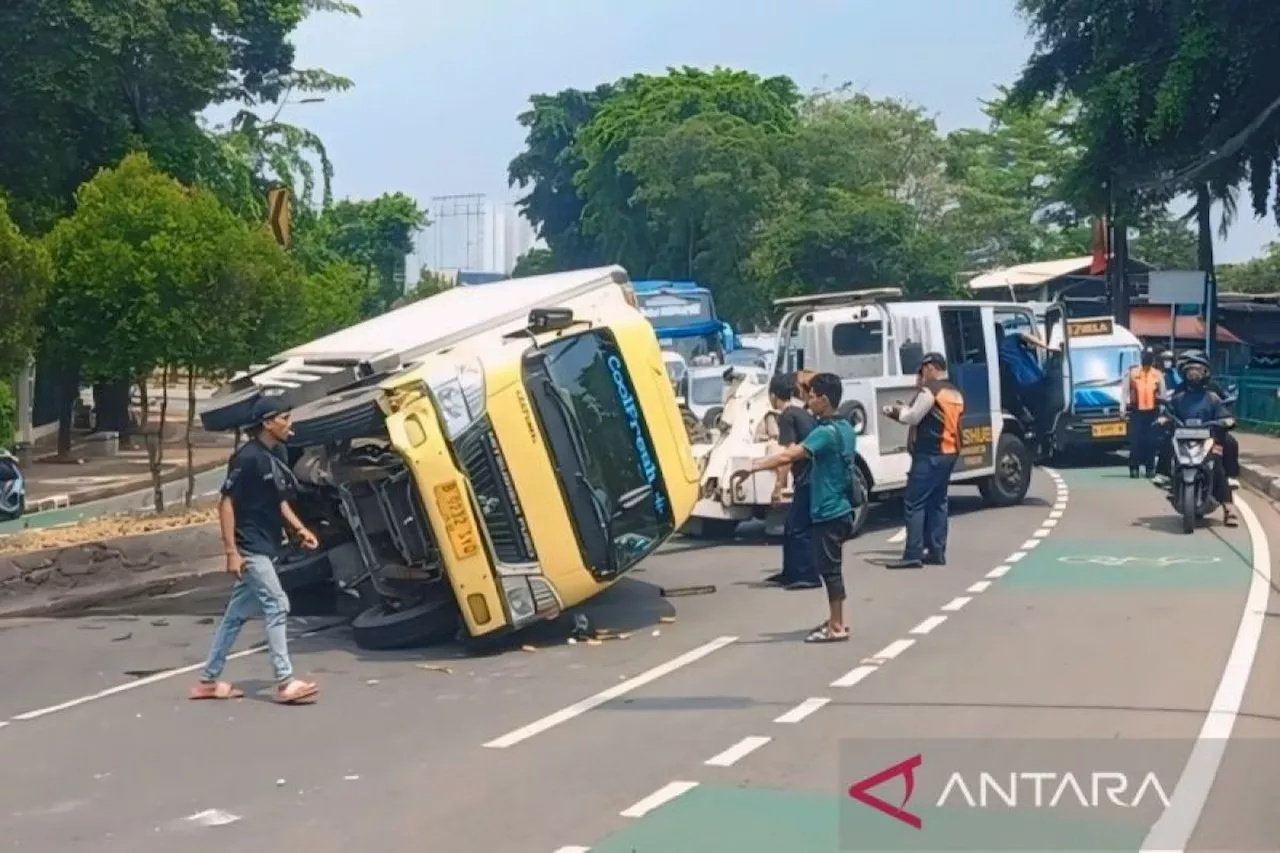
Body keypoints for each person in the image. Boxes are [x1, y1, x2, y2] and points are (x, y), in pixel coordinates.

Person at [190, 395, 321, 704]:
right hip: (250, 548)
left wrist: (300, 530)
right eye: (285, 418)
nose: (290, 424)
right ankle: (285, 681)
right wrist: (231, 551)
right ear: (267, 422)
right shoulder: (247, 458)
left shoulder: (274, 454)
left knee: (235, 615)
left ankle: (208, 680)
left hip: (266, 543)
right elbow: (226, 503)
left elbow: (277, 501)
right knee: (277, 604)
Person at [731, 372, 857, 643]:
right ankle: (838, 620)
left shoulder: (826, 433)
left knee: (831, 571)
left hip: (828, 509)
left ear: (824, 399)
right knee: (831, 569)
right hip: (843, 507)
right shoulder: (845, 428)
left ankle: (837, 626)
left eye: (812, 396)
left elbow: (790, 454)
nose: (808, 400)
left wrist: (751, 468)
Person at [883, 352, 964, 569]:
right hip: (949, 452)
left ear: (930, 368)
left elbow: (913, 417)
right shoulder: (954, 392)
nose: (920, 375)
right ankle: (937, 551)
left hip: (930, 453)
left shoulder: (931, 391)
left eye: (922, 370)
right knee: (938, 502)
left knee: (914, 503)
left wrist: (894, 411)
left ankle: (912, 554)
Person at [1157, 352, 1237, 527]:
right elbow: (1168, 411)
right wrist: (1164, 418)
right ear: (1184, 374)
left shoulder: (1212, 397)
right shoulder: (1178, 396)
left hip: (1208, 441)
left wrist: (1226, 420)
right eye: (1190, 371)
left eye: (1198, 371)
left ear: (1205, 373)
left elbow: (1224, 413)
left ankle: (1229, 508)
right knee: (1167, 445)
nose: (1194, 374)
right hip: (1184, 439)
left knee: (1217, 464)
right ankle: (1166, 477)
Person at [764, 373, 821, 589]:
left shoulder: (787, 416)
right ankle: (790, 571)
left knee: (799, 527)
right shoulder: (801, 412)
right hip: (812, 475)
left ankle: (808, 575)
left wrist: (778, 486)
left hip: (808, 477)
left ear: (772, 395)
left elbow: (787, 454)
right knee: (791, 526)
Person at [996, 323, 1053, 457]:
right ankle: (1042, 445)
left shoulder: (996, 348)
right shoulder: (1009, 341)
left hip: (1024, 385)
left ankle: (1040, 445)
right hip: (1035, 381)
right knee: (1040, 416)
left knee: (1034, 416)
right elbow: (1026, 336)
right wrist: (1045, 346)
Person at [1122, 347, 1163, 479]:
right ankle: (1134, 468)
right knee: (1136, 441)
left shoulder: (1157, 374)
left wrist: (1163, 411)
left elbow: (1163, 393)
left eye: (1150, 356)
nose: (1148, 359)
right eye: (1146, 356)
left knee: (1151, 441)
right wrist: (1122, 408)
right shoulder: (1133, 373)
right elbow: (1125, 392)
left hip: (1153, 412)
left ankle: (1150, 468)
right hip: (1136, 412)